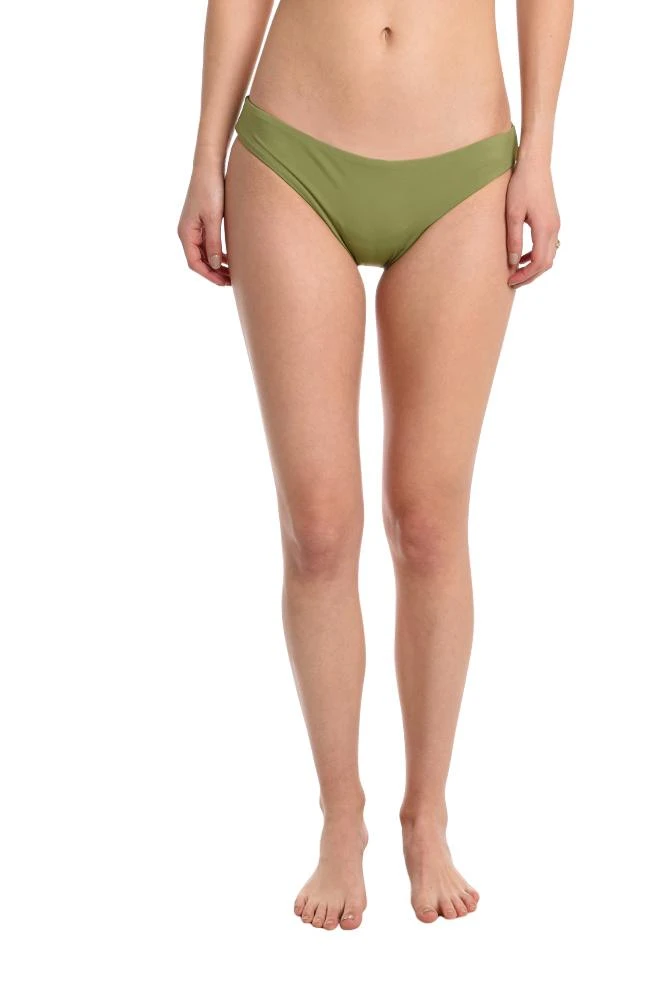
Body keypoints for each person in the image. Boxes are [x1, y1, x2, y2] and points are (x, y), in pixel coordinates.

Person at [177, 0, 572, 930]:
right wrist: (203, 156)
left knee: (428, 523)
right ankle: (340, 813)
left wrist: (542, 151)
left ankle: (426, 815)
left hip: (465, 163)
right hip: (293, 152)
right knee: (317, 529)